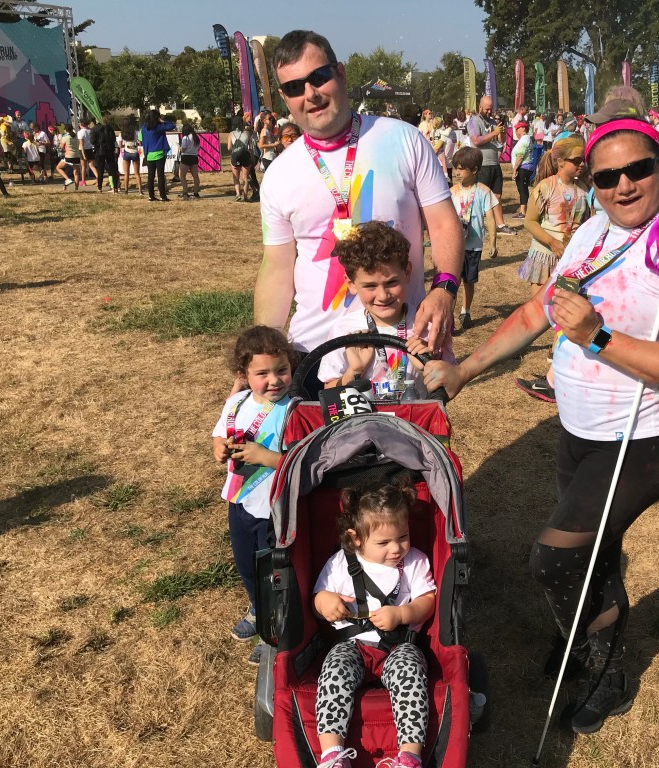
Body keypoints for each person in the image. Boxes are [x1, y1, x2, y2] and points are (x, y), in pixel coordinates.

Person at [422, 112, 659, 734]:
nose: (623, 186)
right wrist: (465, 370)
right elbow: (541, 311)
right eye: (606, 175)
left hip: (641, 441)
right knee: (597, 553)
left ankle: (607, 669)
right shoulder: (593, 231)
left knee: (555, 561)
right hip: (579, 430)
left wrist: (598, 336)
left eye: (637, 170)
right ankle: (589, 639)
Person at [254, 29, 463, 398]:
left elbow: (444, 221)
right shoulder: (279, 174)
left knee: (407, 455)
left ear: (341, 73)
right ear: (285, 98)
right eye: (294, 87)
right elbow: (277, 266)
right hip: (314, 351)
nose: (310, 94)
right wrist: (261, 349)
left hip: (402, 342)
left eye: (319, 77)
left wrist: (445, 289)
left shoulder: (403, 139)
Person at [312, 481, 436, 768]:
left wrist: (403, 614)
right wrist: (325, 603)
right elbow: (318, 600)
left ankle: (409, 756)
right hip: (353, 646)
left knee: (410, 675)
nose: (396, 549)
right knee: (334, 669)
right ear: (355, 538)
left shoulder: (415, 561)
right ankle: (332, 755)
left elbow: (427, 601)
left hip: (400, 647)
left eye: (403, 537)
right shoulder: (340, 563)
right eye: (383, 543)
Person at [211, 325, 294, 661]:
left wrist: (268, 458)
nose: (274, 380)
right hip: (240, 502)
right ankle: (258, 609)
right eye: (262, 373)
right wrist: (219, 447)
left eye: (282, 370)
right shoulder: (236, 402)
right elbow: (220, 433)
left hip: (274, 509)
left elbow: (306, 462)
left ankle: (274, 628)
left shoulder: (295, 410)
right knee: (246, 566)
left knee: (273, 570)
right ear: (243, 374)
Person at [316, 221, 437, 399]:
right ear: (351, 284)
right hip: (362, 426)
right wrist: (354, 371)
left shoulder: (426, 324)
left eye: (391, 282)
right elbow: (329, 394)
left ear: (407, 272)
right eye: (370, 286)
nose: (382, 295)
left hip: (413, 425)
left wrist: (428, 366)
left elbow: (448, 387)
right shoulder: (344, 330)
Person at [514, 136, 591, 403]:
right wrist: (552, 242)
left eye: (583, 160)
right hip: (545, 255)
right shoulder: (545, 187)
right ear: (559, 162)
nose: (581, 165)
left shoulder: (584, 191)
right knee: (539, 306)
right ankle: (521, 342)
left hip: (570, 259)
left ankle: (554, 351)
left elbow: (586, 223)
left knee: (562, 307)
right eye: (576, 160)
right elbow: (530, 222)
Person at [448, 147, 500, 331]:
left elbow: (491, 218)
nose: (456, 173)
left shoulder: (484, 191)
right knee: (451, 281)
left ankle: (465, 311)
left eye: (461, 169)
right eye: (455, 168)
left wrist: (492, 242)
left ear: (475, 170)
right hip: (454, 245)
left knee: (469, 281)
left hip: (473, 246)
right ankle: (449, 318)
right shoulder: (452, 192)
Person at [467, 95, 505, 198]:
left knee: (497, 196)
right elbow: (476, 141)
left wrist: (501, 133)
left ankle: (495, 214)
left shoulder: (492, 122)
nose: (489, 111)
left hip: (495, 164)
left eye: (491, 109)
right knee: (482, 196)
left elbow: (499, 142)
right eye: (487, 109)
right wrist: (494, 133)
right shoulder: (474, 121)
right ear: (480, 107)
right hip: (482, 166)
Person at [140, 109, 175, 202]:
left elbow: (140, 139)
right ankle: (162, 196)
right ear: (157, 118)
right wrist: (163, 121)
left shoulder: (144, 128)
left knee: (150, 176)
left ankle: (151, 196)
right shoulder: (158, 127)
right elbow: (172, 126)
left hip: (149, 155)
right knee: (160, 176)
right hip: (159, 154)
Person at [228, 115, 260, 202]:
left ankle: (238, 194)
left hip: (235, 156)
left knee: (236, 177)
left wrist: (235, 149)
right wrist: (252, 157)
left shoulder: (231, 134)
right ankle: (245, 196)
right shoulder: (247, 133)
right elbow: (251, 148)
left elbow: (229, 148)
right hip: (246, 155)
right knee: (245, 177)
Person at [91, 114, 119, 193]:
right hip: (110, 150)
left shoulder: (95, 129)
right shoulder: (110, 128)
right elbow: (113, 139)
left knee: (100, 170)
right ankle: (115, 188)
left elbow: (92, 141)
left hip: (99, 151)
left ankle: (99, 188)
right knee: (112, 169)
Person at [55, 123, 82, 190]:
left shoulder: (65, 137)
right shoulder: (76, 137)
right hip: (77, 156)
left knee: (58, 167)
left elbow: (61, 147)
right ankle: (76, 188)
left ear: (65, 130)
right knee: (76, 173)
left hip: (69, 156)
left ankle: (67, 179)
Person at [178, 123, 201, 199]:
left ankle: (185, 192)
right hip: (194, 157)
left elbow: (183, 149)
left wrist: (179, 147)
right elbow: (198, 148)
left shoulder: (186, 138)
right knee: (195, 176)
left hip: (186, 157)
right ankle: (196, 192)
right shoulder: (196, 137)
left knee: (182, 175)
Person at [119, 119, 142, 194]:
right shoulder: (136, 133)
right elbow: (139, 143)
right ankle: (140, 191)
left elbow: (120, 145)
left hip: (126, 153)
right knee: (137, 173)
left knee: (126, 173)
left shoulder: (122, 133)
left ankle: (126, 190)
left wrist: (124, 145)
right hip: (135, 153)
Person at [76, 118, 98, 187]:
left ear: (81, 124)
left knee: (83, 167)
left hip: (83, 150)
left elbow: (81, 143)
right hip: (90, 149)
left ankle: (83, 181)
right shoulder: (90, 130)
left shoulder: (80, 132)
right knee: (92, 166)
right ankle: (98, 178)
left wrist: (83, 154)